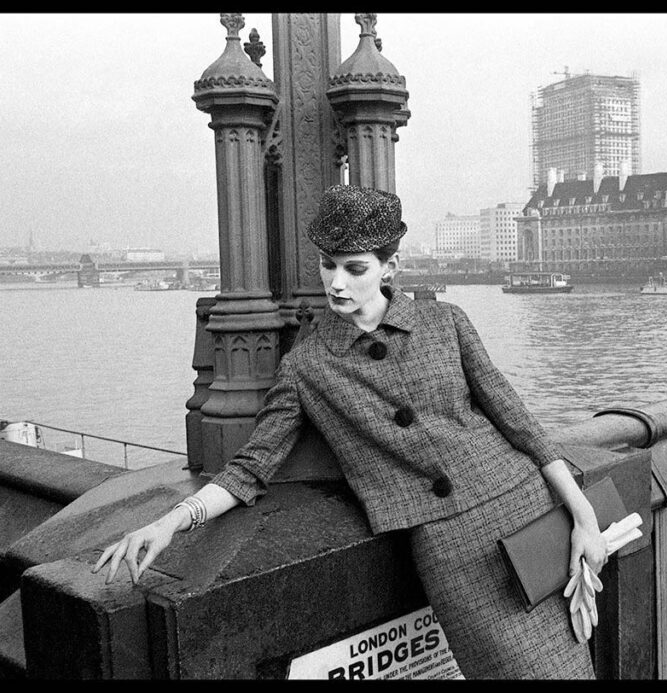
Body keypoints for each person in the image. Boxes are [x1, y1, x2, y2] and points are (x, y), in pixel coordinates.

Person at [92, 184, 606, 680]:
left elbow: (520, 424)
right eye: (328, 265)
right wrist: (170, 523)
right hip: (453, 552)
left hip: (529, 511)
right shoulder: (308, 366)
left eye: (354, 268)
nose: (336, 282)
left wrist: (582, 517)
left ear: (389, 268)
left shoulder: (446, 322)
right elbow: (252, 467)